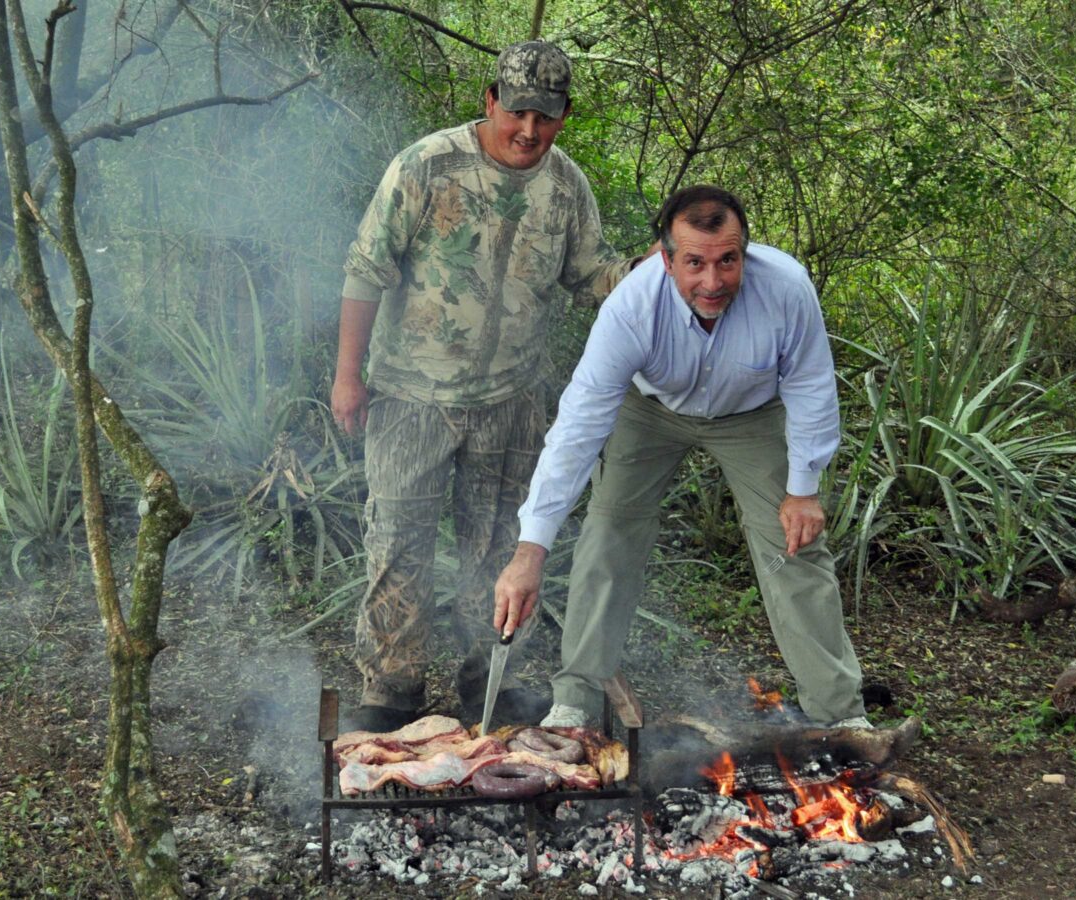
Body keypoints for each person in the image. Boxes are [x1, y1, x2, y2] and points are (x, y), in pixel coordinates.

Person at [331, 41, 645, 732]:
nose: (530, 130)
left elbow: (594, 275)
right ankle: (391, 692)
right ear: (492, 100)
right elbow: (366, 269)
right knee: (398, 547)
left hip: (510, 402)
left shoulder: (566, 186)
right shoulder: (429, 164)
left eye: (548, 116)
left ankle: (487, 684)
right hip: (410, 396)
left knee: (500, 550)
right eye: (520, 112)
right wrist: (347, 376)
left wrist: (654, 270)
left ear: (565, 117)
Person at [493, 185, 869, 730]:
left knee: (795, 544)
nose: (712, 282)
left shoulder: (787, 288)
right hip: (649, 409)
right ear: (665, 260)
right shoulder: (631, 308)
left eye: (727, 261)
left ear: (745, 252)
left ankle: (839, 713)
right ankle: (575, 701)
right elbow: (578, 426)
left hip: (753, 415)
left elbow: (812, 386)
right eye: (694, 263)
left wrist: (804, 488)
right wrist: (530, 550)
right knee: (609, 532)